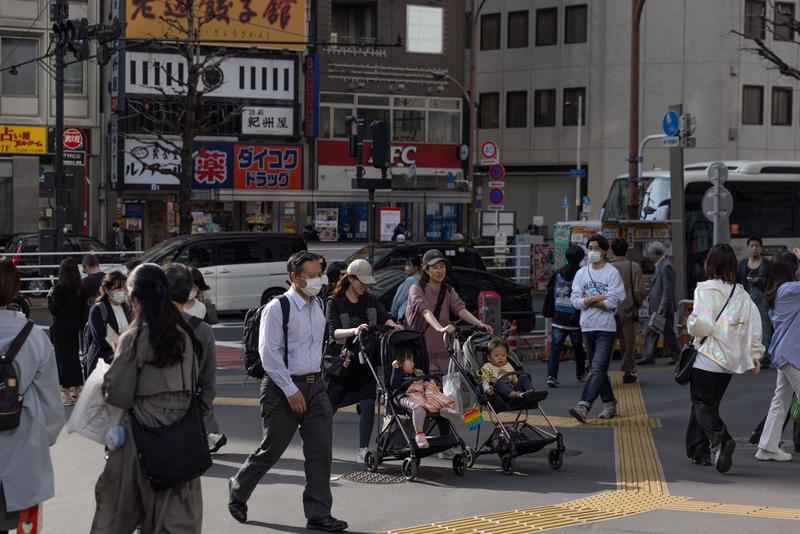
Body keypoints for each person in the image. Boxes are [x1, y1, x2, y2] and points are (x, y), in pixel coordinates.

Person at [228, 252, 347, 532]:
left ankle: (318, 512)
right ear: (295, 277)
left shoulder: (318, 303)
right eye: (313, 274)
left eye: (321, 273)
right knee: (272, 449)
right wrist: (291, 389)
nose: (320, 280)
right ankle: (238, 489)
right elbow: (268, 353)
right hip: (282, 387)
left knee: (320, 452)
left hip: (316, 386)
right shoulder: (278, 308)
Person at [90, 264, 206, 533]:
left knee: (118, 510)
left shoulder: (134, 336)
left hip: (142, 438)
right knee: (175, 515)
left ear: (135, 298)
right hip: (182, 437)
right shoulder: (186, 335)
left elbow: (118, 393)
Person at [685, 244, 763, 473]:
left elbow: (702, 324)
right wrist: (755, 354)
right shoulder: (741, 293)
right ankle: (699, 452)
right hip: (729, 362)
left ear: (710, 264)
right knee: (708, 405)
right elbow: (753, 326)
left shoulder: (705, 289)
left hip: (707, 357)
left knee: (701, 403)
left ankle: (721, 439)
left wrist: (691, 323)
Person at [0, 258, 65, 534]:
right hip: (22, 443)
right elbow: (51, 402)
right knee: (22, 525)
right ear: (15, 289)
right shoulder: (34, 336)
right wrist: (45, 436)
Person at [325, 259, 402, 464]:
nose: (364, 286)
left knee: (368, 403)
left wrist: (392, 325)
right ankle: (318, 444)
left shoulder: (370, 299)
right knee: (327, 408)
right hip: (342, 362)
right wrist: (355, 330)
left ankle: (363, 449)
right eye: (361, 281)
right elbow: (333, 331)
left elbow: (384, 317)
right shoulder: (335, 301)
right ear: (350, 278)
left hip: (365, 360)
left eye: (367, 283)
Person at [164, 263, 227, 454]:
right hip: (187, 402)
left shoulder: (138, 329)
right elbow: (208, 380)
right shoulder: (202, 330)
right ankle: (207, 435)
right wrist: (203, 409)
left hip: (151, 420)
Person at [568, 235, 626, 423]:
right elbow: (575, 301)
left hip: (606, 328)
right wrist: (596, 298)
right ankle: (609, 404)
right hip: (587, 326)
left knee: (598, 367)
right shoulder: (581, 274)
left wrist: (589, 300)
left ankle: (583, 406)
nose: (592, 251)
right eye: (590, 248)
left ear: (604, 250)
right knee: (597, 369)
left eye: (596, 248)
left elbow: (613, 302)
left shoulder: (612, 273)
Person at [406, 249, 492, 376]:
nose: (440, 271)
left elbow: (460, 309)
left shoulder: (448, 290)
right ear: (426, 269)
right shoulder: (417, 289)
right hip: (420, 348)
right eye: (435, 267)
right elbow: (425, 311)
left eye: (442, 266)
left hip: (443, 347)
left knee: (446, 386)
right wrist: (441, 329)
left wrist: (479, 324)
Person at [754, 249, 800, 462]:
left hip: (786, 354)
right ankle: (767, 447)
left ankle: (767, 447)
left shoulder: (779, 289)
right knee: (780, 400)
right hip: (791, 355)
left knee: (780, 400)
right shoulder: (790, 289)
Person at [390, 350, 457, 449]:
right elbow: (394, 384)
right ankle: (419, 434)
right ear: (400, 363)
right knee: (418, 408)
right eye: (410, 360)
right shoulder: (399, 375)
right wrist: (396, 369)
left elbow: (425, 386)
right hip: (404, 396)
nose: (413, 363)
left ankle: (445, 437)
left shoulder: (414, 375)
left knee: (441, 409)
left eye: (413, 361)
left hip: (421, 396)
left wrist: (422, 377)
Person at [542, 245, 587, 388]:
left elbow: (550, 294)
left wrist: (548, 313)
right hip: (576, 318)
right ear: (581, 258)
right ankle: (580, 372)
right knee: (578, 347)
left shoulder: (558, 274)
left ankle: (552, 375)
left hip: (558, 316)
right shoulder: (582, 274)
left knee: (556, 348)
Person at [48, 257, 86, 405]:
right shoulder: (81, 288)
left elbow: (54, 310)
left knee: (62, 360)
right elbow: (83, 310)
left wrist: (50, 297)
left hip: (61, 327)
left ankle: (67, 395)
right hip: (74, 326)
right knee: (74, 357)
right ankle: (77, 390)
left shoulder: (59, 288)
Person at [609, 238, 646, 383]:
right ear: (626, 250)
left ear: (612, 250)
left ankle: (600, 373)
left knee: (606, 344)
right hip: (627, 310)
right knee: (628, 344)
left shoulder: (606, 267)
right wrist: (637, 302)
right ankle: (628, 371)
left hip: (608, 310)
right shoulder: (633, 266)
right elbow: (639, 291)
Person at [638, 241, 680, 365]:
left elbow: (668, 288)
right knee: (655, 331)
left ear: (654, 254)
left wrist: (663, 305)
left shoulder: (666, 266)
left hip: (663, 307)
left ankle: (678, 355)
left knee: (667, 333)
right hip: (659, 306)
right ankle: (649, 356)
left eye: (650, 253)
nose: (650, 256)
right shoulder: (661, 265)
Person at [83, 272, 131, 378]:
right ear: (107, 290)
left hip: (123, 363)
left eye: (124, 288)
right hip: (103, 363)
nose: (122, 292)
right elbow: (101, 339)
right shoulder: (98, 309)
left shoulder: (127, 308)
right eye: (118, 288)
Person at [737, 237, 772, 367]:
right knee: (747, 329)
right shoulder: (742, 264)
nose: (754, 248)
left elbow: (772, 283)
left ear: (761, 248)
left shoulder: (767, 264)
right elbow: (737, 281)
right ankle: (749, 357)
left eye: (757, 246)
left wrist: (759, 281)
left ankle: (763, 358)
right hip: (746, 301)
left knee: (764, 329)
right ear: (747, 248)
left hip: (763, 301)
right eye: (751, 246)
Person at [480, 337, 534, 403]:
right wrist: (487, 389)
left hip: (514, 391)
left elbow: (514, 380)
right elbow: (484, 381)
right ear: (489, 357)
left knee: (523, 377)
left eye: (503, 355)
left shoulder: (508, 365)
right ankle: (515, 394)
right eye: (496, 355)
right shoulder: (487, 367)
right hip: (499, 394)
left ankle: (530, 392)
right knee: (499, 383)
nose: (500, 358)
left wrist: (519, 385)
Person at [391, 256, 422, 323]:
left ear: (416, 267)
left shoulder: (411, 280)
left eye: (409, 265)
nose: (406, 267)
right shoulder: (422, 280)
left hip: (405, 317)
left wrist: (394, 313)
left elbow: (399, 299)